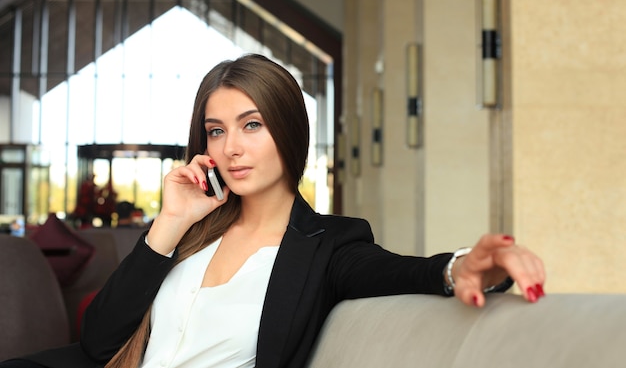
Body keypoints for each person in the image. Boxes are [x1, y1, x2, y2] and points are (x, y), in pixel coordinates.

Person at [0, 54, 545, 368]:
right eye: (217, 131)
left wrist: (462, 267)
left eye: (252, 125)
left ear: (288, 131)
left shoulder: (329, 244)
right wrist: (169, 223)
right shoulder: (188, 236)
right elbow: (99, 341)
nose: (231, 147)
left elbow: (401, 270)